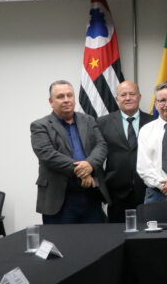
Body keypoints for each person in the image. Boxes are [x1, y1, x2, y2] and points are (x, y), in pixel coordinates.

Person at [30, 80, 109, 224]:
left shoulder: (89, 120)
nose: (66, 100)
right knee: (61, 244)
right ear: (51, 101)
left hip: (91, 195)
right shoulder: (40, 125)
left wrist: (90, 165)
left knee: (96, 242)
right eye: (60, 96)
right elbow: (48, 155)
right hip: (59, 199)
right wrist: (83, 171)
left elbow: (101, 145)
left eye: (69, 95)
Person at [97, 81, 155, 222]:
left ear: (139, 97)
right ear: (117, 99)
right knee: (117, 236)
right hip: (116, 194)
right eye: (123, 95)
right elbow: (97, 156)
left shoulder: (153, 122)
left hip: (148, 191)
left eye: (132, 94)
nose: (128, 98)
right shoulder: (102, 123)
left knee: (148, 236)